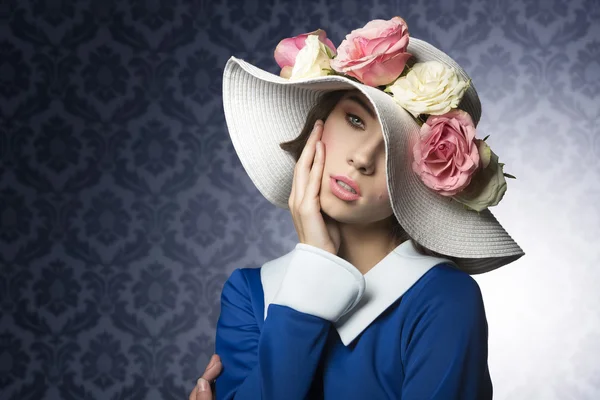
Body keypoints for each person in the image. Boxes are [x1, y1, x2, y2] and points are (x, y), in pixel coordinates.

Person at [190, 16, 525, 399]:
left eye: (397, 148)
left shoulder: (443, 298)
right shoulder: (249, 293)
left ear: (424, 179)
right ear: (319, 122)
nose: (364, 158)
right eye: (354, 120)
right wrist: (314, 264)